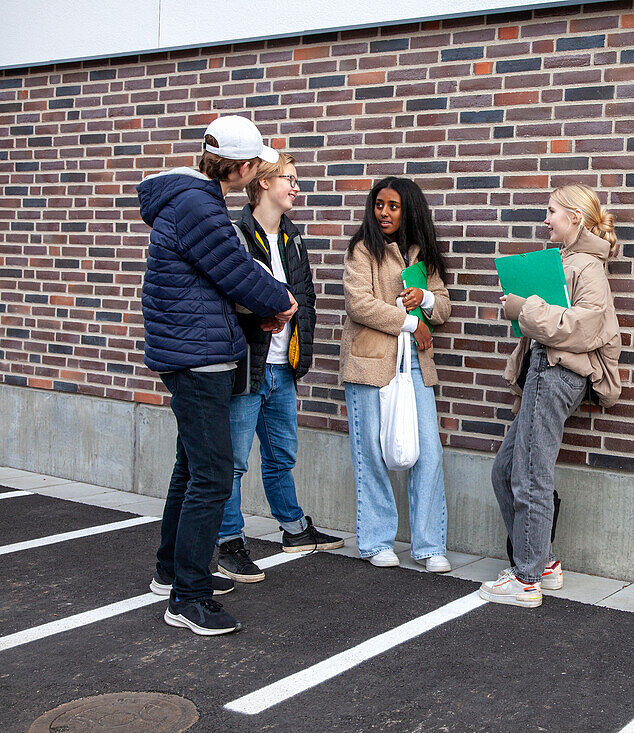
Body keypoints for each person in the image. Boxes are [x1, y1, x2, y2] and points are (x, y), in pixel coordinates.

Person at [139, 115, 297, 635]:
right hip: (197, 357)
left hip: (194, 352)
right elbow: (237, 270)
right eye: (257, 166)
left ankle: (172, 572)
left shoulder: (194, 200)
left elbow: (225, 276)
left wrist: (263, 306)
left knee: (191, 468)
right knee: (210, 474)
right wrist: (280, 303)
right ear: (243, 166)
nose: (258, 175)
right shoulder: (198, 207)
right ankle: (189, 598)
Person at [480, 184, 622, 608]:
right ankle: (542, 564)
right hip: (543, 371)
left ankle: (526, 580)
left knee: (530, 474)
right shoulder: (563, 261)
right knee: (506, 471)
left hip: (558, 373)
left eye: (552, 211)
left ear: (575, 217)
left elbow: (584, 326)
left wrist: (524, 309)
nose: (545, 219)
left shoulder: (589, 266)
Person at [215, 152, 344, 584]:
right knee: (233, 461)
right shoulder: (236, 233)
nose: (295, 187)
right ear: (264, 182)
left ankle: (293, 529)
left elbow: (305, 299)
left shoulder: (293, 238)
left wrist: (298, 353)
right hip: (248, 364)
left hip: (282, 367)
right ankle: (229, 542)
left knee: (281, 455)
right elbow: (229, 297)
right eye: (289, 179)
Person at [340, 177, 452, 572]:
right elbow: (359, 305)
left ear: (410, 211)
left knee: (430, 454)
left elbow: (443, 310)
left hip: (416, 368)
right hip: (369, 364)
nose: (383, 213)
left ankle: (429, 545)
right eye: (379, 204)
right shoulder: (362, 249)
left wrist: (428, 298)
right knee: (369, 451)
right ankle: (375, 540)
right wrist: (409, 321)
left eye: (393, 206)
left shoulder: (423, 254)